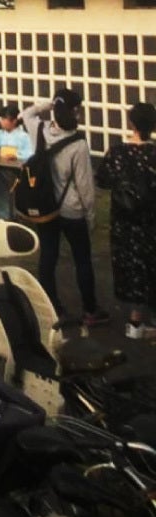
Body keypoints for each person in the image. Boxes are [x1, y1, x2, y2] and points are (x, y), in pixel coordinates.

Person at [21, 91, 105, 325]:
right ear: (76, 112)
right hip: (72, 210)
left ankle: (53, 309)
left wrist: (48, 105)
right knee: (82, 260)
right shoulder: (78, 144)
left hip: (45, 206)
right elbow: (85, 186)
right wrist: (91, 216)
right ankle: (90, 310)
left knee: (48, 258)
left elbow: (26, 113)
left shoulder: (39, 130)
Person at [96, 103, 156, 340]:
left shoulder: (116, 152)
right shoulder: (154, 155)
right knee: (150, 265)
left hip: (123, 223)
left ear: (131, 123)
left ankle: (134, 322)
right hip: (151, 222)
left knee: (130, 269)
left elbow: (102, 180)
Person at [0, 103, 35, 219]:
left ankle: (6, 218)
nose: (1, 122)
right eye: (1, 119)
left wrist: (16, 155)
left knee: (7, 197)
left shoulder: (23, 136)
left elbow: (30, 153)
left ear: (14, 121)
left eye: (4, 119)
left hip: (14, 173)